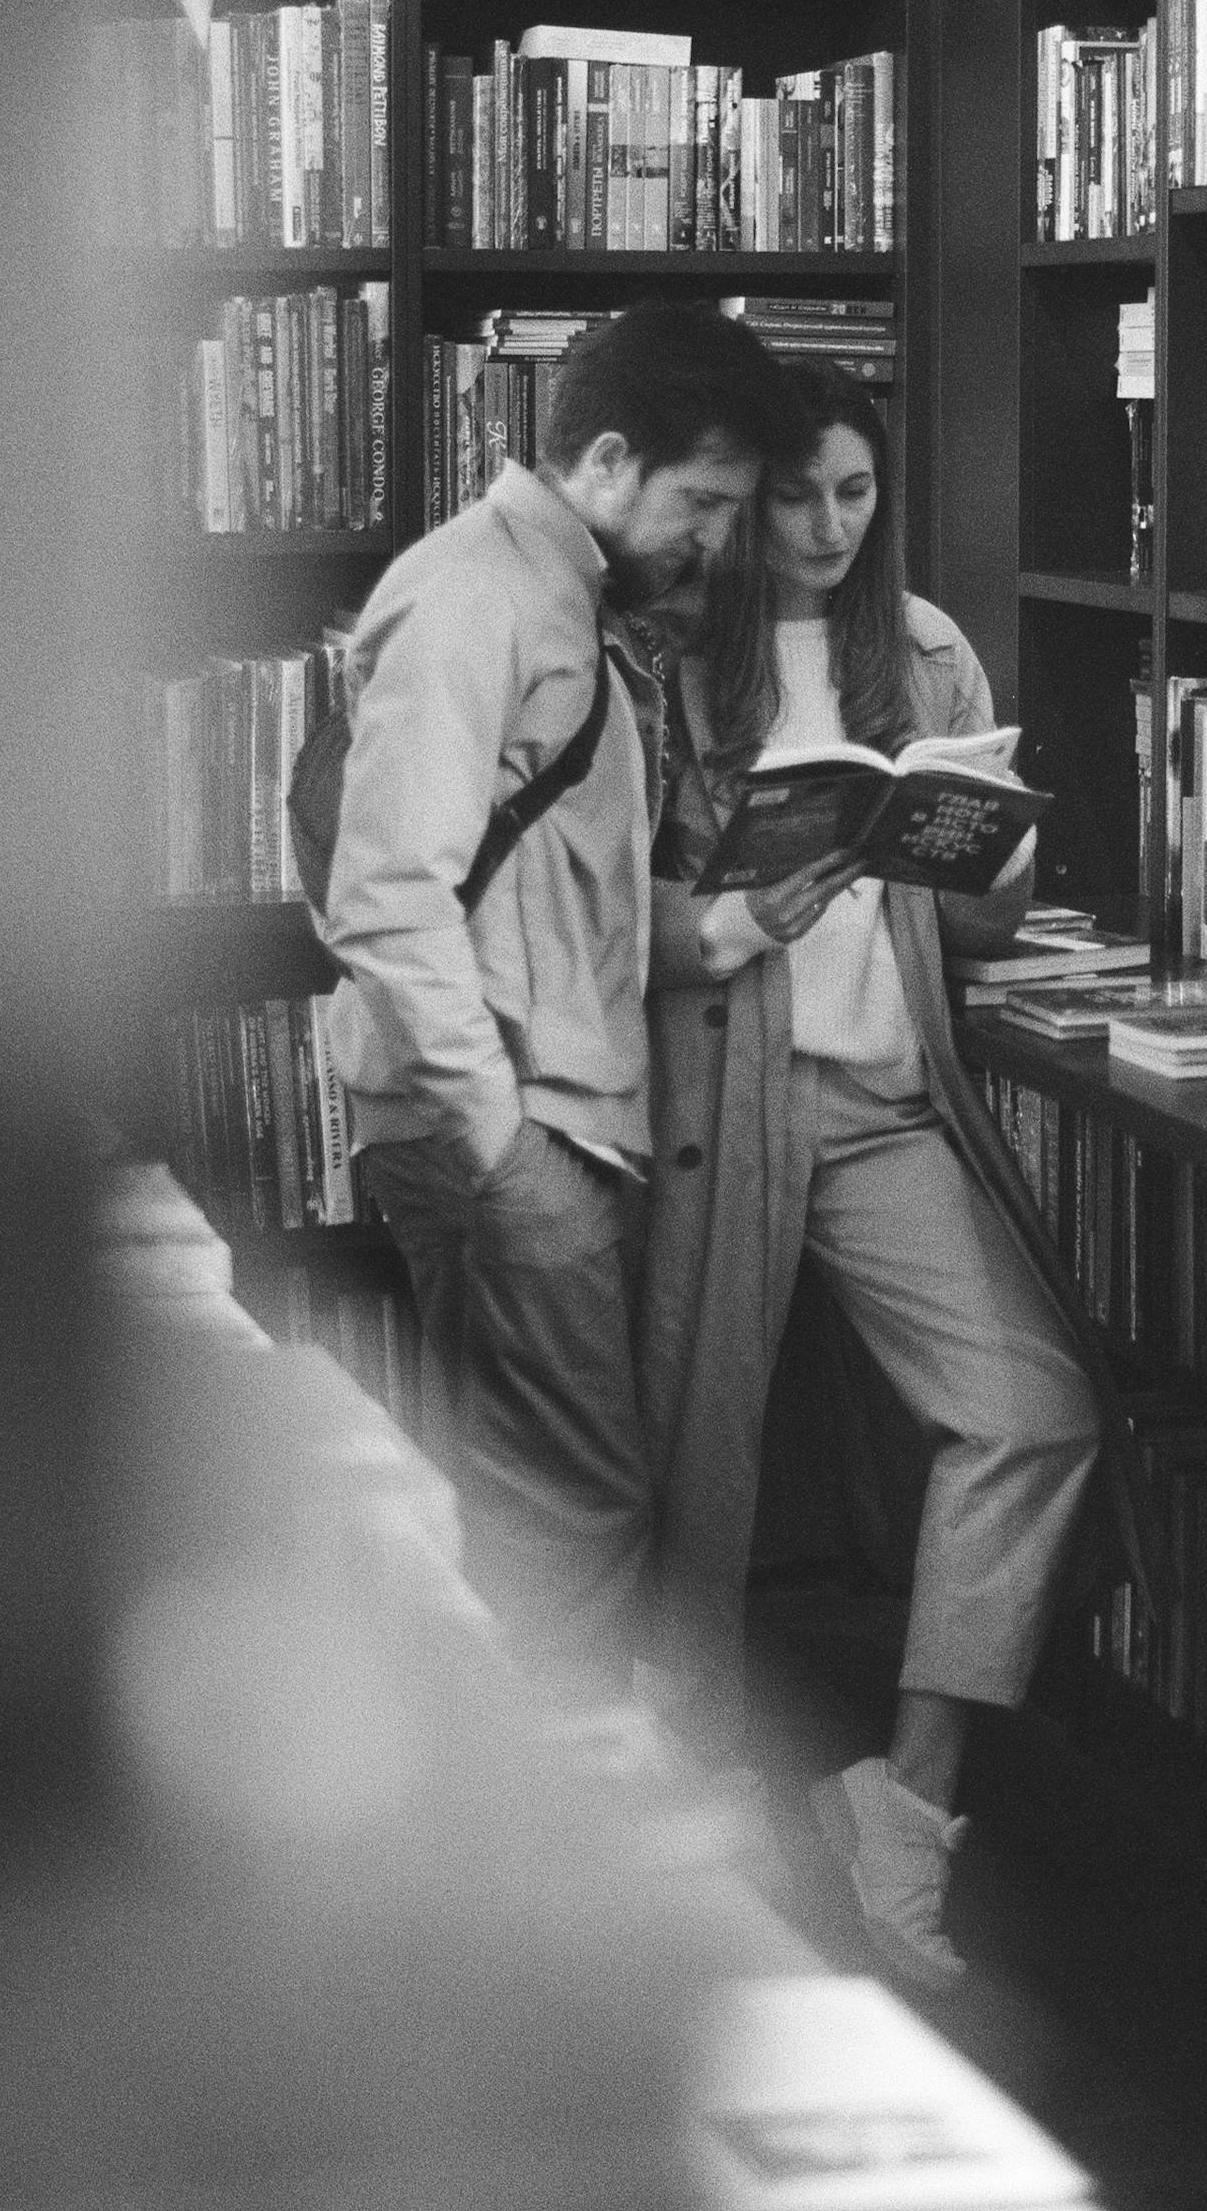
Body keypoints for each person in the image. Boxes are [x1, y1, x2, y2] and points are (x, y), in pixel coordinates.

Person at [638, 360, 1158, 1989]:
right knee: (684, 1479)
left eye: (854, 495)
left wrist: (979, 847)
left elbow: (987, 915)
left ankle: (906, 1806)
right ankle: (677, 1847)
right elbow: (610, 911)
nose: (823, 527)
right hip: (716, 1109)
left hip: (878, 1098)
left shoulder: (924, 649)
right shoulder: (659, 651)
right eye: (793, 496)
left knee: (1032, 1411)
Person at [320, 300, 789, 1697]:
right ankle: (539, 1883)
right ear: (603, 458)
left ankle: (493, 1858)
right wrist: (501, 1143)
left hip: (542, 1124)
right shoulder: (478, 593)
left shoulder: (554, 596)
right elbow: (389, 894)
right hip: (506, 1133)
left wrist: (752, 914)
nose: (712, 541)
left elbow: (545, 900)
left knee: (531, 1523)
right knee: (580, 1523)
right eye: (700, 501)